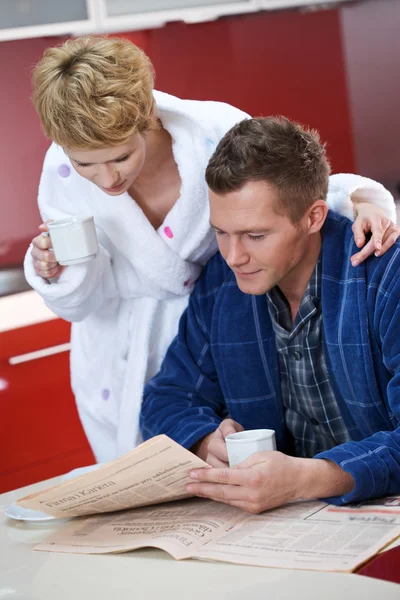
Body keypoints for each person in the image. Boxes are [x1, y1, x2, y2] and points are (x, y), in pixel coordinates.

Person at [24, 36, 398, 464]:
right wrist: (57, 272)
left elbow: (280, 184)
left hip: (226, 314)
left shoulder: (211, 132)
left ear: (146, 116)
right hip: (133, 346)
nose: (106, 179)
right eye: (85, 164)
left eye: (122, 157)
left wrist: (362, 200)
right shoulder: (60, 171)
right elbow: (86, 304)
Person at [140, 116, 400, 511]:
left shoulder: (385, 276)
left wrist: (308, 479)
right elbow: (166, 396)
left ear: (313, 217)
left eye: (256, 235)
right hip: (278, 527)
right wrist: (205, 439)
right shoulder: (220, 285)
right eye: (221, 232)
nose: (233, 256)